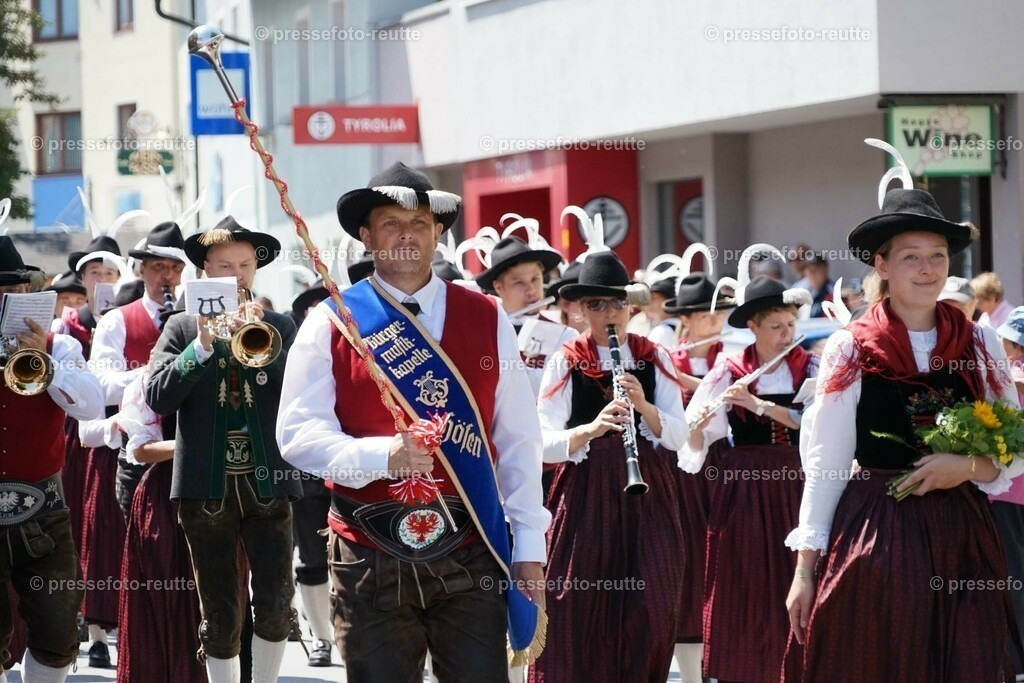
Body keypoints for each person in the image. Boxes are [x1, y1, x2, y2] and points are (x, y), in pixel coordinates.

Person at [277, 162, 550, 680]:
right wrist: (381, 454)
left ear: (439, 234)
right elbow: (296, 434)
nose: (406, 236)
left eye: (419, 223)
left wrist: (529, 550)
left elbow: (517, 440)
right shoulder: (332, 320)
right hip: (368, 553)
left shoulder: (488, 317)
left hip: (471, 550)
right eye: (390, 224)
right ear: (366, 236)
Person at [783, 156, 1024, 682]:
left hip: (964, 534)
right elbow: (825, 462)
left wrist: (967, 467)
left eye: (937, 256)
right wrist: (804, 569)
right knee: (884, 659)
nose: (927, 268)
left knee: (969, 663)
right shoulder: (851, 346)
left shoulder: (979, 341)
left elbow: (1013, 449)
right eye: (911, 257)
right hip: (879, 529)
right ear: (882, 266)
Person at [146, 216, 300, 683]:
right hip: (204, 485)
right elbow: (157, 397)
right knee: (219, 609)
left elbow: (299, 396)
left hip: (267, 480)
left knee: (275, 603)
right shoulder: (179, 328)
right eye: (224, 266)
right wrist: (202, 347)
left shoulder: (279, 325)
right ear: (203, 272)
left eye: (244, 265)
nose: (235, 275)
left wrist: (265, 350)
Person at [530, 251, 688, 682]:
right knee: (578, 607)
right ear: (581, 310)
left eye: (615, 304)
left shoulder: (653, 356)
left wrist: (644, 407)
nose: (608, 314)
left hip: (648, 489)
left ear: (630, 307)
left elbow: (679, 436)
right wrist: (590, 429)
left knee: (652, 605)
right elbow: (542, 441)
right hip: (585, 490)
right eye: (596, 305)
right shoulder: (566, 358)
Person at [682, 274, 816, 683]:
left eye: (791, 325)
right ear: (753, 328)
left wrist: (757, 404)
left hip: (795, 482)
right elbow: (696, 437)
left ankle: (798, 668)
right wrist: (699, 423)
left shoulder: (809, 364)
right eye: (776, 326)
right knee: (747, 581)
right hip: (745, 487)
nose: (786, 334)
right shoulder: (730, 368)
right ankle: (749, 671)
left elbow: (810, 424)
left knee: (793, 575)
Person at [0, 235, 105, 682]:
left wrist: (45, 358)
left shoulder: (60, 347)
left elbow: (91, 406)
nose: (7, 297)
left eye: (12, 289)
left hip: (42, 510)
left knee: (61, 628)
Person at [82, 222, 187, 666]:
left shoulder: (197, 317)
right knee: (145, 558)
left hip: (192, 453)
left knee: (189, 557)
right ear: (142, 271)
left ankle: (186, 648)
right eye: (157, 267)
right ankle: (144, 649)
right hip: (141, 458)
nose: (166, 276)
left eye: (173, 268)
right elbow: (98, 386)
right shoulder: (117, 320)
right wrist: (150, 375)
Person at [662, 272, 734, 682]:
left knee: (727, 558)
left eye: (719, 312)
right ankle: (691, 675)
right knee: (691, 561)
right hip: (684, 472)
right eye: (708, 314)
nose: (716, 320)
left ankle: (729, 660)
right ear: (686, 319)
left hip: (727, 465)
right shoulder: (668, 359)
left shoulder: (735, 353)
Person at [802, 252, 834, 318]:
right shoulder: (804, 292)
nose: (812, 274)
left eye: (816, 270)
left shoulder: (833, 292)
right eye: (809, 270)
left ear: (825, 270)